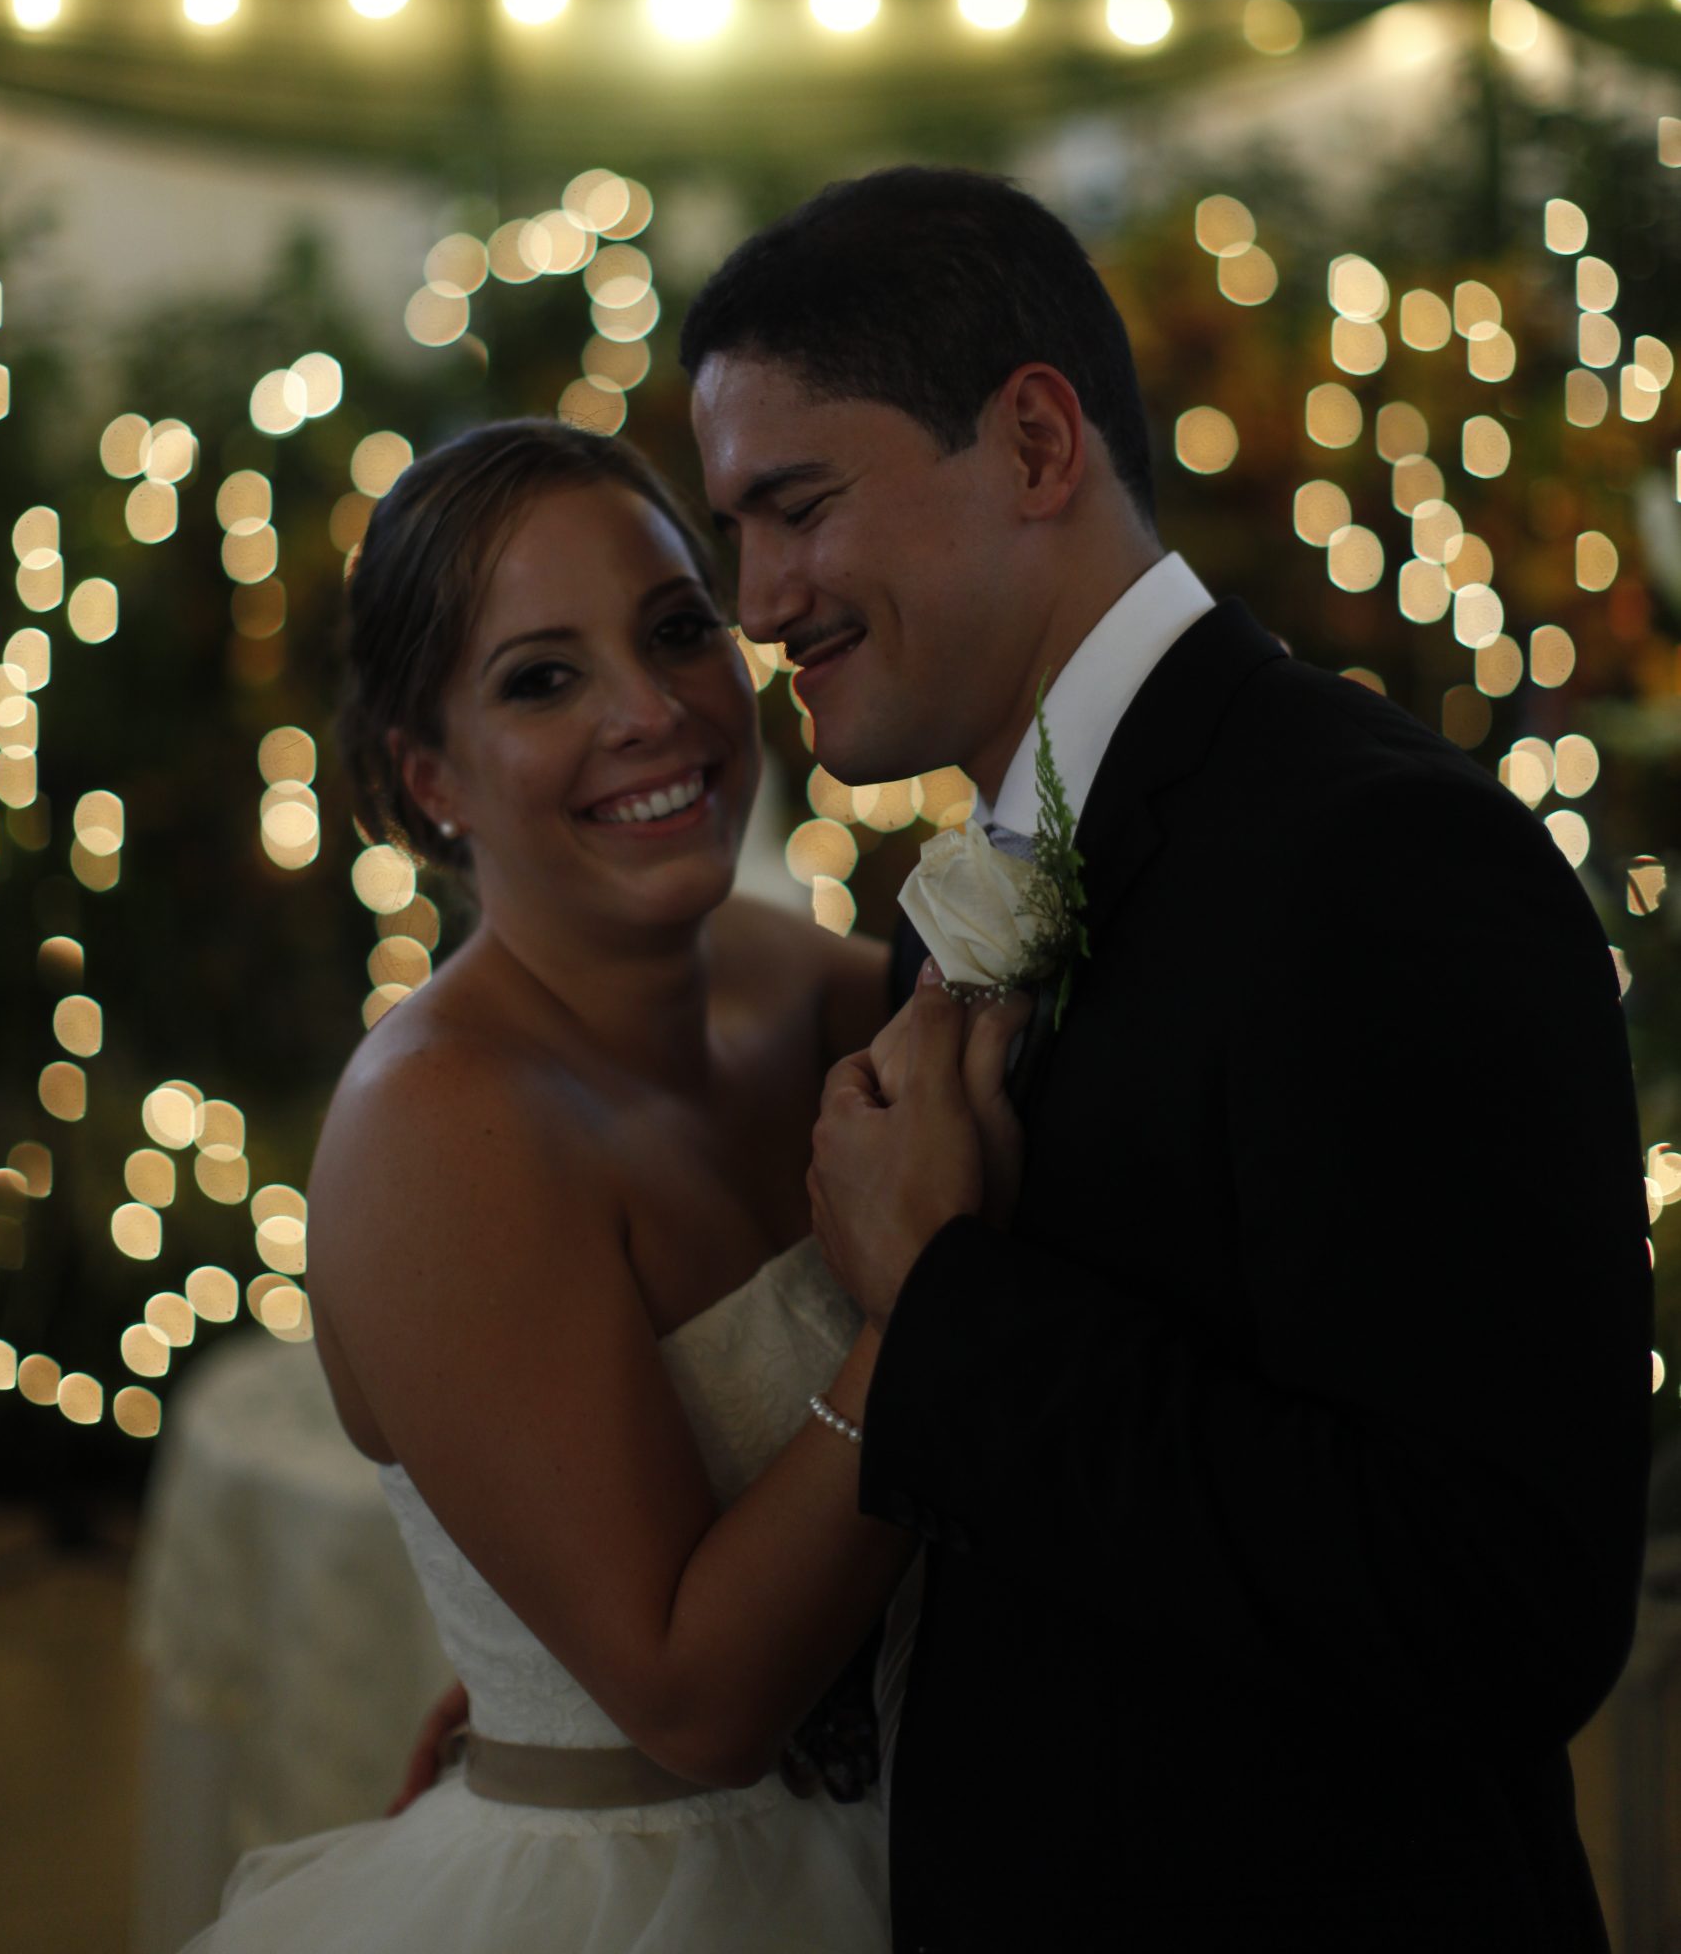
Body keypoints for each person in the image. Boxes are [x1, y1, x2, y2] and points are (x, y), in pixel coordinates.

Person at [682, 162, 1653, 1954]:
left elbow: (1503, 1600)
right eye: (734, 534)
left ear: (1039, 444)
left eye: (796, 506)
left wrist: (947, 1299)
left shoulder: (1379, 863)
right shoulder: (959, 900)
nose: (757, 597)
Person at [185, 417, 1026, 1954]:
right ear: (427, 776)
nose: (653, 711)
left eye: (678, 630)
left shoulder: (795, 983)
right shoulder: (442, 1132)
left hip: (941, 1833)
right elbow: (697, 1703)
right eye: (542, 678)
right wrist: (922, 1322)